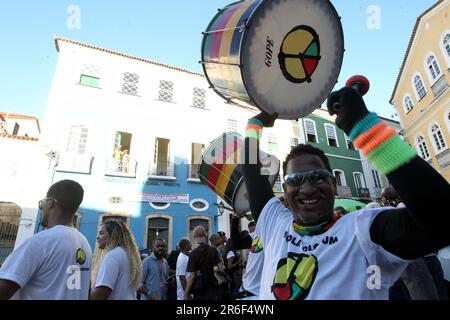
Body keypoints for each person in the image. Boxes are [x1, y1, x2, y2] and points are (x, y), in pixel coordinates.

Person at [241, 85, 450, 299]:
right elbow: (250, 169)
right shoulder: (274, 223)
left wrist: (362, 126)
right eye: (295, 180)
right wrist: (255, 124)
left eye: (318, 177)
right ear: (285, 190)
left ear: (333, 183)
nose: (307, 188)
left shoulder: (362, 232)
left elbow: (443, 219)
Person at [0, 180, 92, 300]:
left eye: (42, 203)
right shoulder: (85, 244)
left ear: (51, 202)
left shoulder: (41, 241)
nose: (42, 208)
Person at [90, 219, 141, 300]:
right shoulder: (127, 255)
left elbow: (100, 296)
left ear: (113, 235)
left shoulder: (112, 256)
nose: (97, 237)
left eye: (101, 233)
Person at [230, 214, 264, 300]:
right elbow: (236, 244)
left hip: (261, 293)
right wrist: (235, 219)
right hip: (246, 291)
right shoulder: (256, 235)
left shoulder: (278, 233)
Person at [185, 226, 221, 300]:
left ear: (194, 236)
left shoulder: (193, 253)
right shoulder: (213, 250)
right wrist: (212, 269)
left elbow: (192, 276)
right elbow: (220, 268)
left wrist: (186, 293)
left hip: (199, 288)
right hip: (212, 286)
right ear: (205, 235)